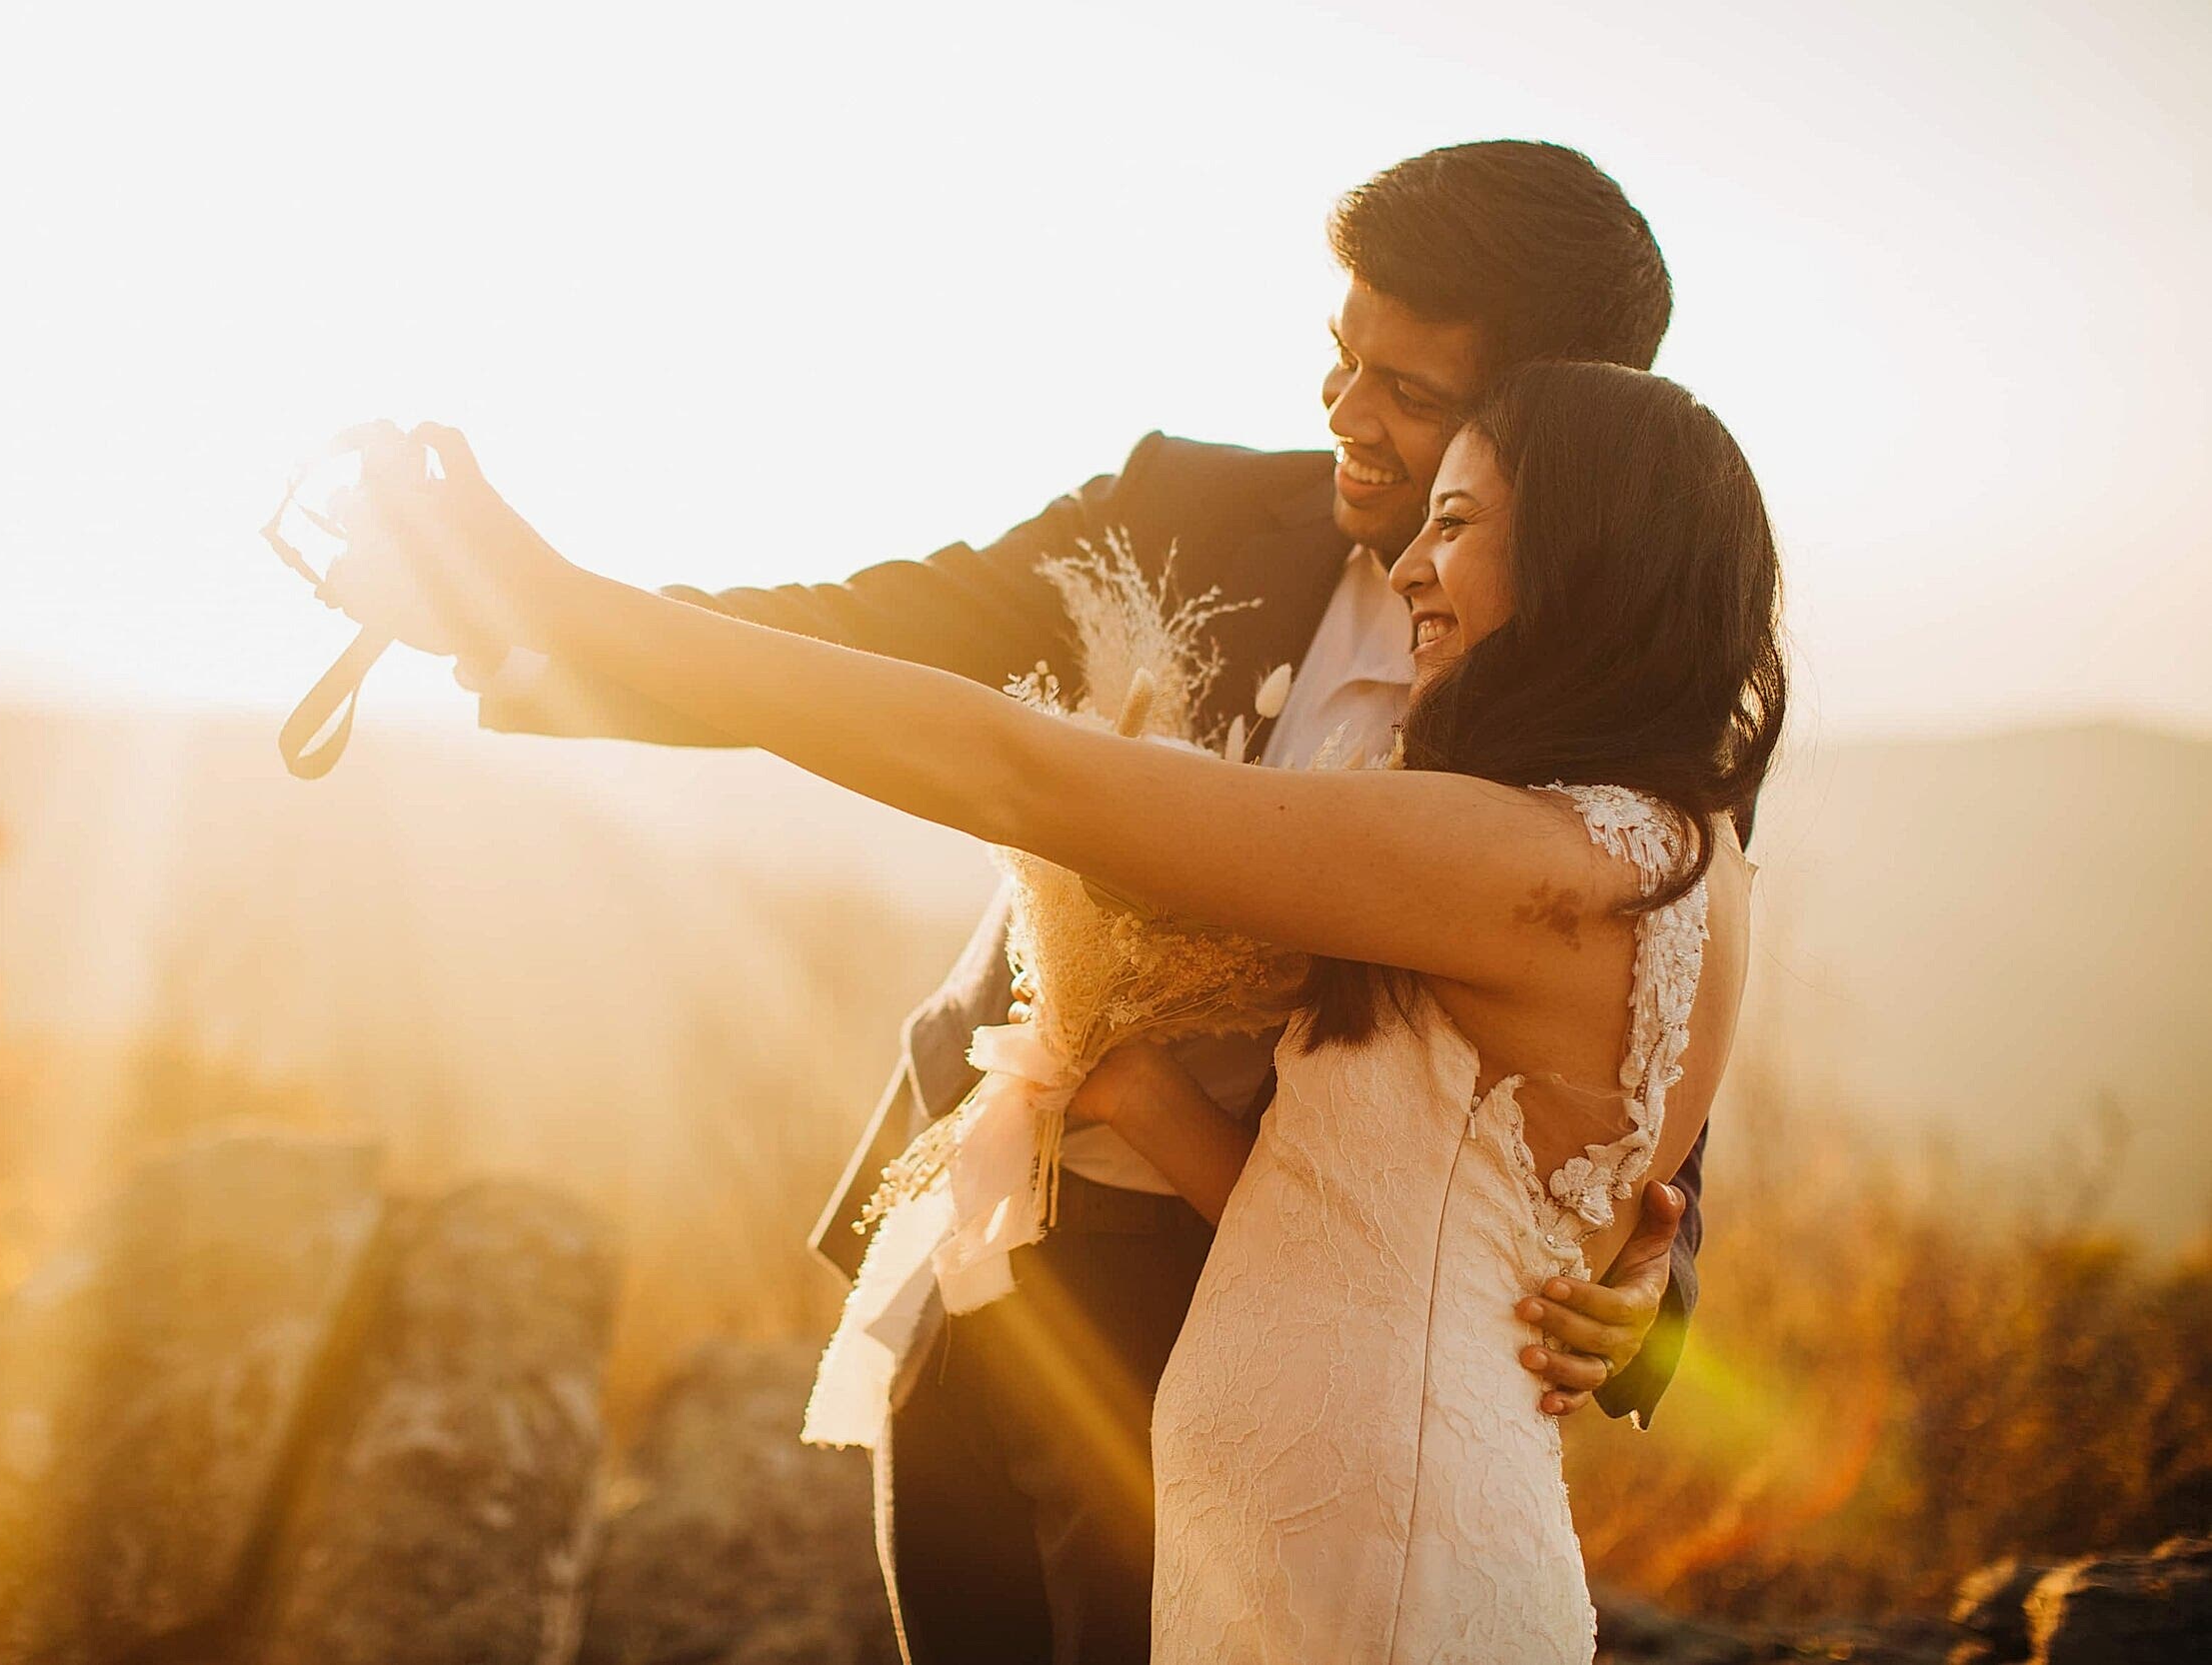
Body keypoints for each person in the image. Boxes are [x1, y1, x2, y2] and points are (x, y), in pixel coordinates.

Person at [335, 141, 1713, 1663]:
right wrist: (521, 621)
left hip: (1262, 1341)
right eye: (1339, 356)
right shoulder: (1189, 505)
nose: (1342, 412)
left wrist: (1640, 1272)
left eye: (1410, 389)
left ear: (1558, 422)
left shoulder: (1618, 742)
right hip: (995, 1212)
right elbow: (899, 637)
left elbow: (1651, 1025)